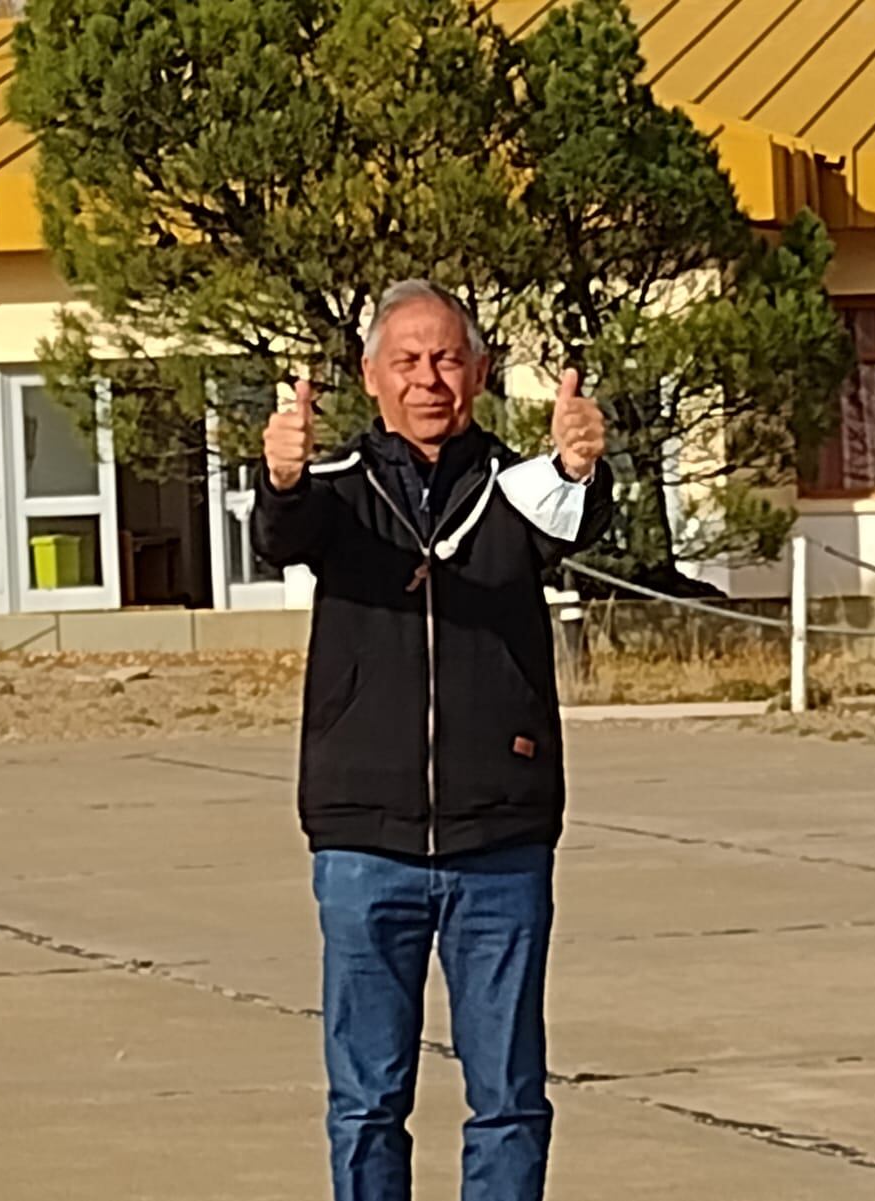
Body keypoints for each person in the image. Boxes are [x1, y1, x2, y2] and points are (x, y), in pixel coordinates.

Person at [252, 279, 612, 1201]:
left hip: (502, 837)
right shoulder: (337, 493)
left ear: (481, 372)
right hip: (363, 841)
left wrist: (580, 466)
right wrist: (283, 475)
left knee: (509, 1096)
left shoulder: (516, 489)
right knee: (368, 1097)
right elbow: (281, 533)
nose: (428, 379)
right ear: (371, 377)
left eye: (448, 358)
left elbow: (575, 514)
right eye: (405, 361)